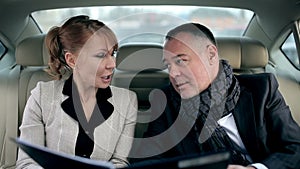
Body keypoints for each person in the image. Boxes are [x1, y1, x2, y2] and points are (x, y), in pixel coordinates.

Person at [140, 23, 300, 169]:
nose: (173, 73)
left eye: (181, 61)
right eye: (168, 65)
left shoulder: (262, 89)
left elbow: (295, 147)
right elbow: (148, 162)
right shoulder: (164, 101)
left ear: (211, 55)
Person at [16, 15, 137, 168]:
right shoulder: (42, 96)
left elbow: (120, 162)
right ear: (72, 60)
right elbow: (27, 162)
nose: (112, 64)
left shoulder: (127, 100)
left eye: (112, 53)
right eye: (100, 55)